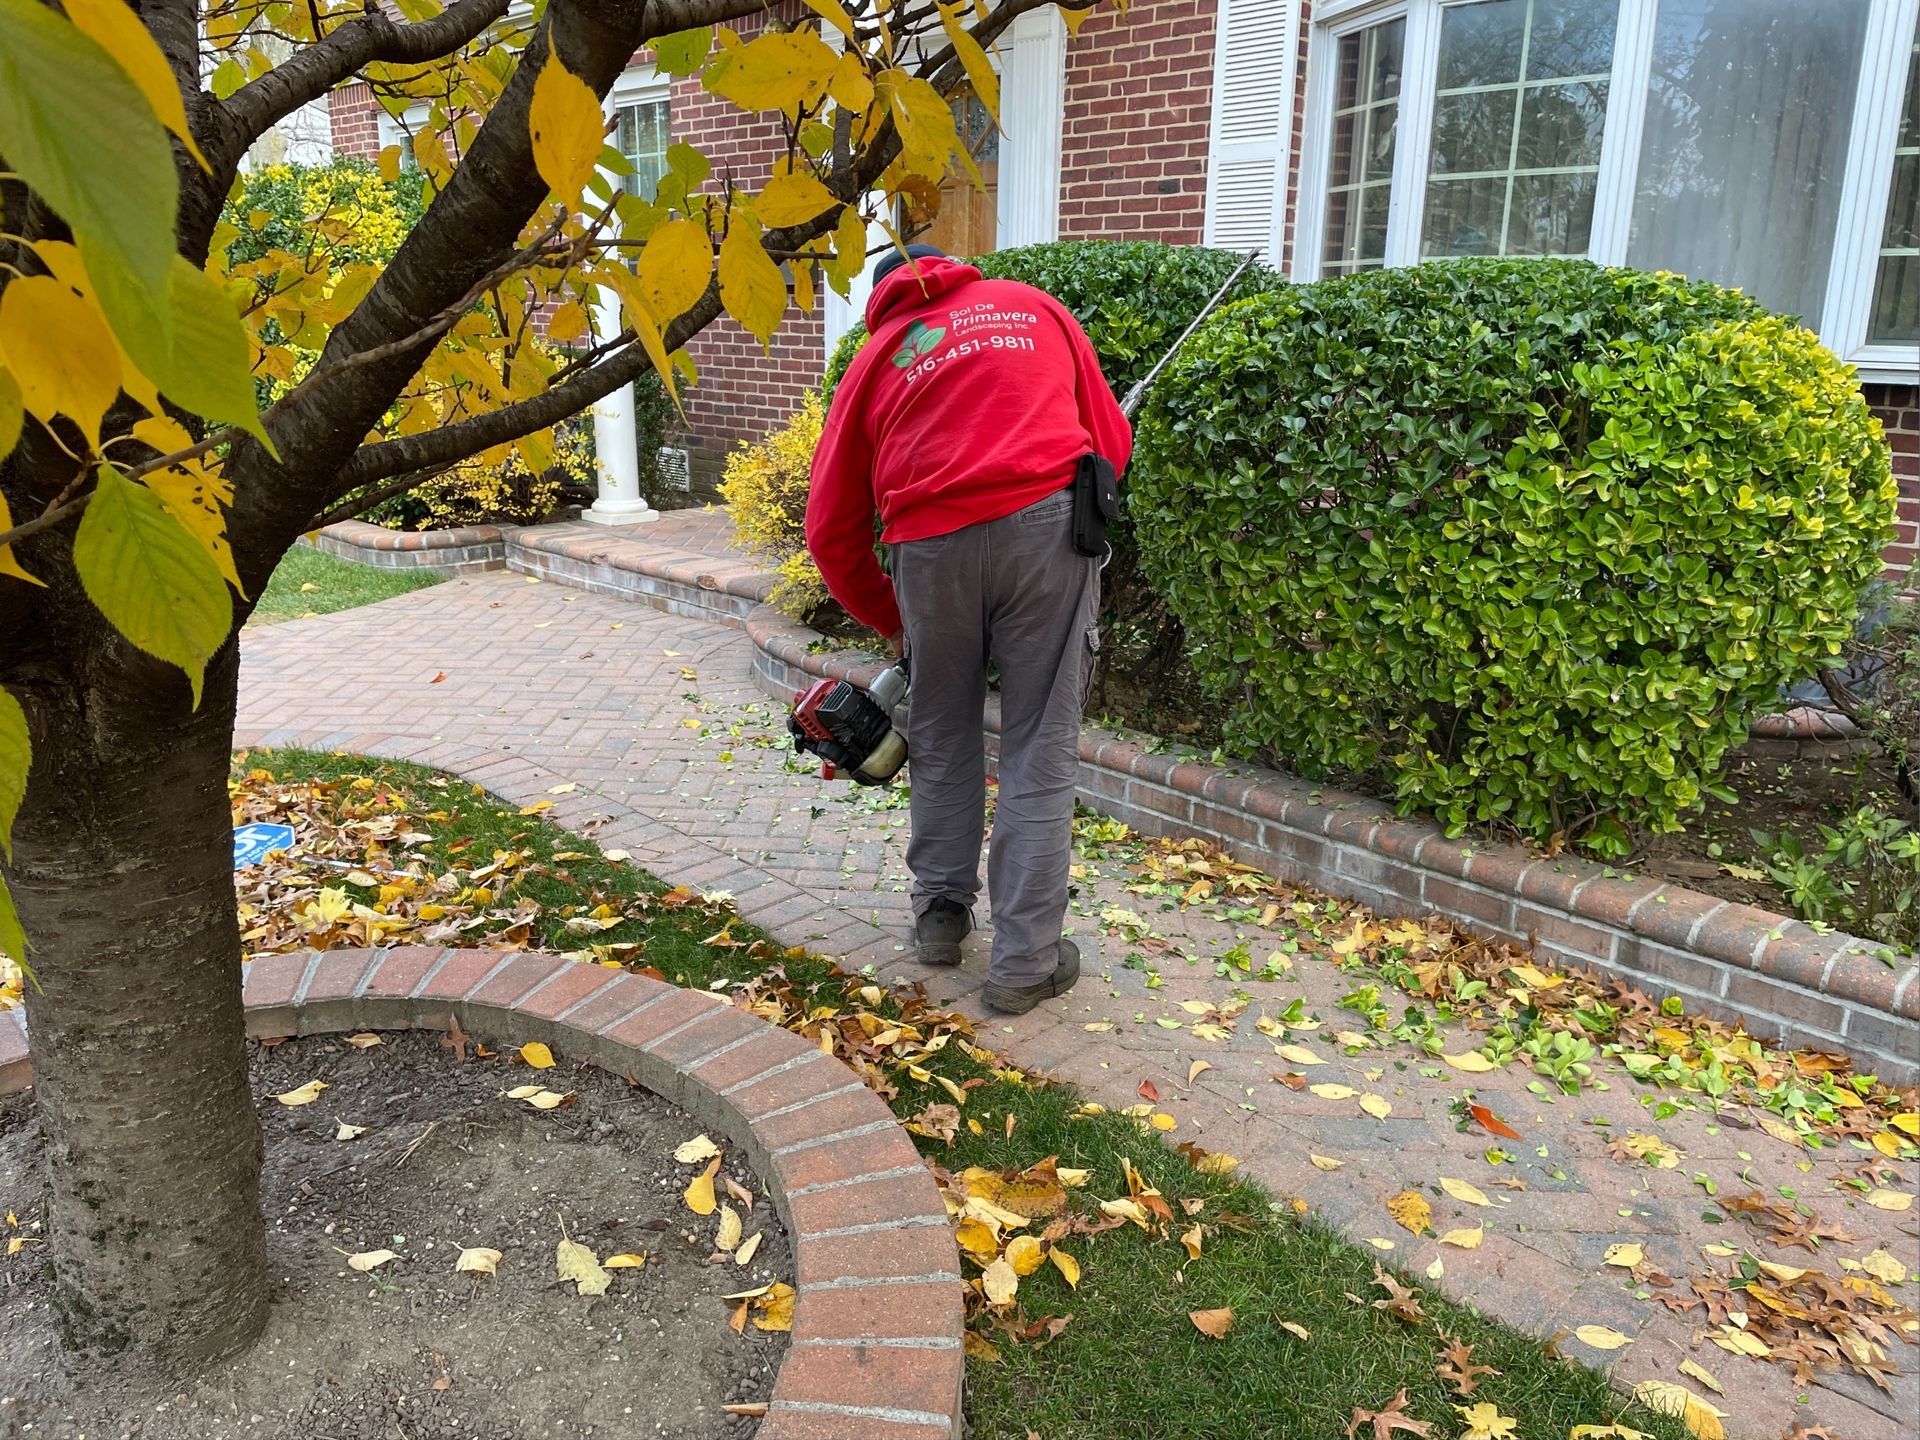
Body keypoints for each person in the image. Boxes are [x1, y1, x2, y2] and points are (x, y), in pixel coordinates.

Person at [806, 243, 1132, 1015]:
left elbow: (829, 529)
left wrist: (890, 620)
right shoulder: (1033, 306)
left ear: (882, 300)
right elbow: (1110, 444)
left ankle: (941, 917)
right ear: (958, 271)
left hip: (930, 551)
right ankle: (1025, 962)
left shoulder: (876, 355)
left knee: (943, 734)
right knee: (1037, 745)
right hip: (1046, 536)